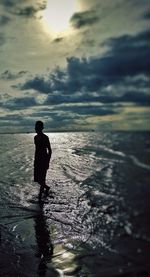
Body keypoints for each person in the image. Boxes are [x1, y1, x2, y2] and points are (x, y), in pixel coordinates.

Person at [34, 121, 52, 200]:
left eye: (37, 127)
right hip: (37, 160)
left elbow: (50, 150)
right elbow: (36, 150)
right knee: (37, 179)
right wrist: (35, 161)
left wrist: (47, 162)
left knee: (42, 180)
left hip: (44, 160)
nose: (35, 129)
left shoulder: (45, 137)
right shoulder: (35, 137)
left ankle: (39, 198)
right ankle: (47, 188)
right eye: (35, 127)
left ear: (41, 128)